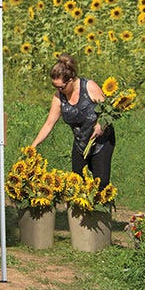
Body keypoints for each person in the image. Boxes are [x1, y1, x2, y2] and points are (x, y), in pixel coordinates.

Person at [30, 53, 115, 190]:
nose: (58, 90)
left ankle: (103, 210)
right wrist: (33, 145)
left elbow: (108, 111)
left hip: (101, 142)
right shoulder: (59, 97)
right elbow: (49, 124)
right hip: (81, 143)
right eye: (55, 86)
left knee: (101, 185)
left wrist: (101, 125)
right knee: (76, 184)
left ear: (70, 80)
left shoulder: (89, 87)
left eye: (61, 87)